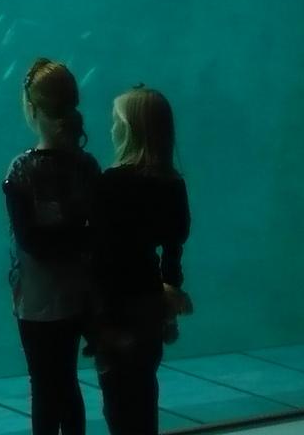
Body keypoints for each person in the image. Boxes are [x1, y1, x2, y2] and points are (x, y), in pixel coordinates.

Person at [4, 58, 101, 435]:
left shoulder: (21, 170)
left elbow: (29, 240)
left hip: (38, 301)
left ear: (31, 109)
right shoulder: (87, 165)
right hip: (80, 296)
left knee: (44, 388)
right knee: (68, 383)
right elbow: (97, 232)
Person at [88, 85, 192, 435]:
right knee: (145, 388)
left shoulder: (112, 183)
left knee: (117, 398)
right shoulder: (173, 183)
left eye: (116, 121)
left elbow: (102, 257)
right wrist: (170, 295)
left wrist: (101, 321)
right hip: (150, 302)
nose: (112, 127)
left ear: (128, 128)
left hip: (117, 308)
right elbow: (174, 246)